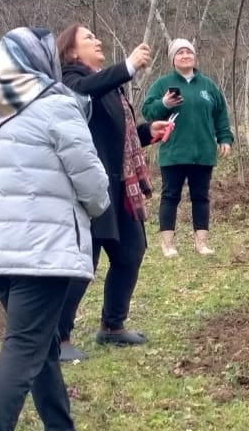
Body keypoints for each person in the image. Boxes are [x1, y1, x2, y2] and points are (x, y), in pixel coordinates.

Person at [0, 26, 110, 431]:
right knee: (24, 349)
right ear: (39, 62)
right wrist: (96, 205)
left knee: (40, 346)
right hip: (39, 252)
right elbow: (91, 181)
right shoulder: (55, 105)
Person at [54, 24, 170, 357]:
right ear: (72, 52)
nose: (98, 40)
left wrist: (147, 132)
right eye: (89, 38)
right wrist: (129, 67)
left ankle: (112, 326)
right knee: (81, 266)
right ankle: (58, 338)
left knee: (131, 252)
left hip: (120, 186)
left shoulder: (108, 87)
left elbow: (116, 134)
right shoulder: (68, 82)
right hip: (87, 187)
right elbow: (84, 91)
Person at [141, 38, 234, 257]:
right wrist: (164, 104)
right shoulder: (162, 84)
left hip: (203, 151)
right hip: (173, 151)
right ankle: (167, 243)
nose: (185, 56)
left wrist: (225, 138)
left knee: (201, 196)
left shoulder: (208, 85)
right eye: (180, 53)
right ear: (173, 59)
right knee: (170, 196)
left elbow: (220, 114)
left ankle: (201, 243)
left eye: (189, 52)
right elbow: (148, 111)